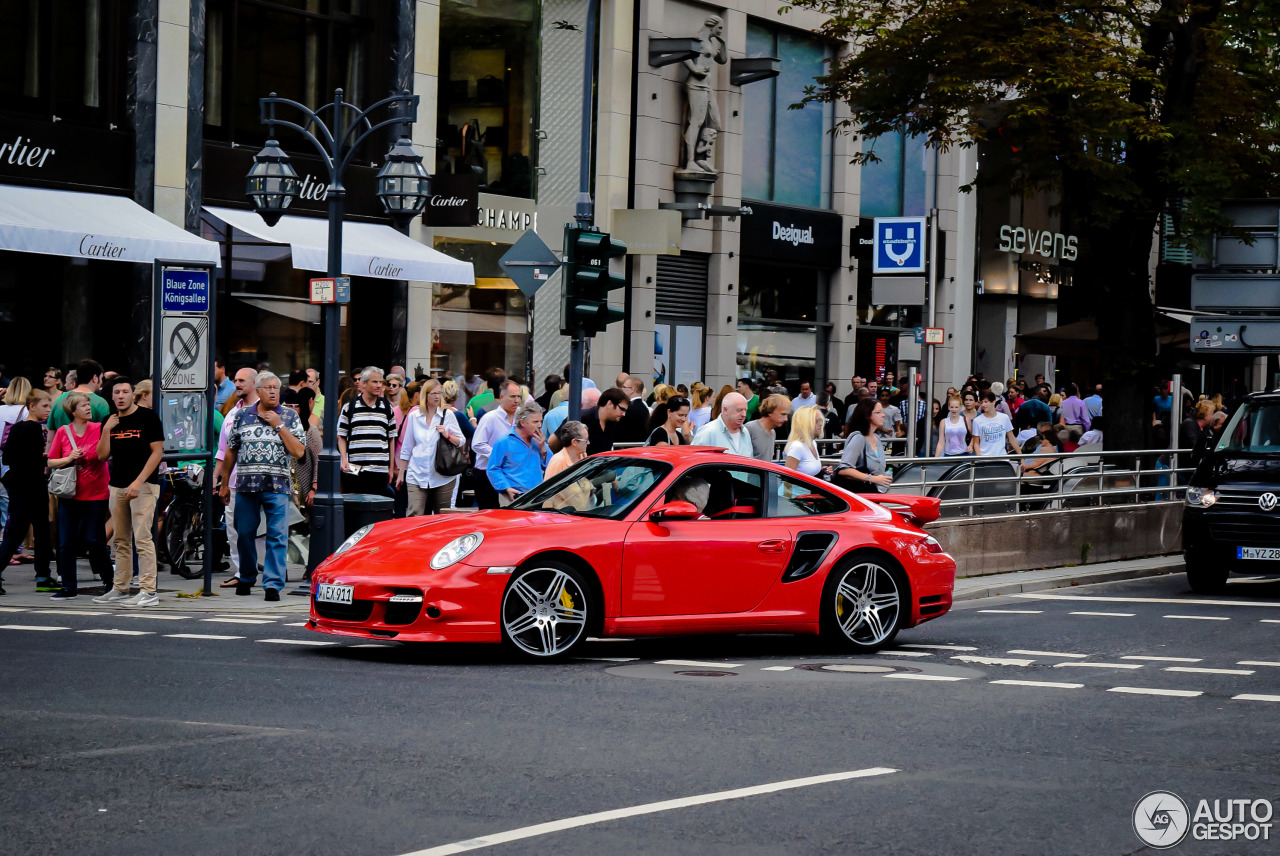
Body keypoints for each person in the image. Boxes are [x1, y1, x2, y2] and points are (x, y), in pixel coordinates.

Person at [218, 372, 305, 600]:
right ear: (258, 391)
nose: (273, 391)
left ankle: (273, 585)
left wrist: (279, 426)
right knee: (244, 534)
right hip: (246, 485)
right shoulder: (242, 415)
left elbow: (299, 451)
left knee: (277, 535)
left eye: (276, 387)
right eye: (268, 388)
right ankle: (246, 576)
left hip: (277, 486)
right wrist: (224, 484)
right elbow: (231, 451)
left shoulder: (289, 416)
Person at [93, 376, 164, 607]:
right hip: (117, 484)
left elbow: (157, 452)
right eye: (117, 393)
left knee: (142, 538)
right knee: (120, 540)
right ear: (112, 396)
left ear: (133, 394)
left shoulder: (148, 417)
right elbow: (102, 456)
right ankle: (120, 587)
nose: (121, 396)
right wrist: (106, 431)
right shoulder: (109, 420)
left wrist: (139, 481)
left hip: (143, 485)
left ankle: (148, 591)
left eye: (125, 392)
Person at [47, 392, 113, 600]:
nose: (88, 408)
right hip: (70, 494)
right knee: (65, 542)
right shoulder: (63, 432)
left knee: (94, 540)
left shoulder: (99, 428)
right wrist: (68, 458)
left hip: (97, 493)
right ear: (72, 411)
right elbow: (50, 461)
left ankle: (109, 580)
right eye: (83, 405)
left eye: (88, 404)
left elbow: (105, 455)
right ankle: (68, 587)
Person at [0, 389, 55, 594]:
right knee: (35, 532)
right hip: (32, 485)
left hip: (17, 485)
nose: (48, 410)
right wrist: (51, 457)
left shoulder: (16, 428)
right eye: (45, 406)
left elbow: (7, 458)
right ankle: (43, 576)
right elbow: (35, 461)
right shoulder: (33, 429)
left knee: (18, 533)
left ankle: (43, 575)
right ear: (32, 406)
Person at [398, 380, 466, 516]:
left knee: (442, 516)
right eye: (433, 393)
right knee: (414, 514)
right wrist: (401, 473)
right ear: (425, 395)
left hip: (443, 474)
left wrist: (447, 435)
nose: (437, 397)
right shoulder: (414, 416)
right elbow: (407, 446)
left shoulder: (448, 415)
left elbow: (461, 440)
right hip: (416, 473)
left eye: (439, 393)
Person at [337, 366, 398, 496]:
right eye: (375, 382)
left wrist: (391, 468)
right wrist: (344, 459)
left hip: (379, 469)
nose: (379, 385)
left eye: (381, 382)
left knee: (377, 510)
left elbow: (391, 439)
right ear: (363, 383)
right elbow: (341, 436)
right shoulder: (350, 406)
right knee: (356, 509)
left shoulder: (387, 408)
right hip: (355, 468)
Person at [486, 401, 550, 505]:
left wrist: (542, 447)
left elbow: (550, 466)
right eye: (535, 422)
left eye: (540, 421)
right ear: (522, 422)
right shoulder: (504, 441)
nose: (539, 425)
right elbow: (493, 468)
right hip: (513, 496)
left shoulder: (539, 441)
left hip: (536, 496)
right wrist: (506, 488)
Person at [471, 380, 522, 508]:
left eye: (518, 397)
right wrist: (498, 455)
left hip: (512, 473)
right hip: (487, 475)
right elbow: (477, 444)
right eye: (512, 396)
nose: (516, 400)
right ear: (501, 397)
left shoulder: (521, 417)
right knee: (490, 517)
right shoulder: (490, 418)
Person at [836, 398, 891, 493]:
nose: (883, 415)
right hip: (860, 493)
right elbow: (844, 469)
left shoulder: (876, 438)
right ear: (867, 415)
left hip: (875, 492)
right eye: (878, 412)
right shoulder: (859, 438)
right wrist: (872, 478)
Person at [49, 359, 109, 430]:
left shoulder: (59, 400)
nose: (101, 382)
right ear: (95, 378)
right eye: (101, 378)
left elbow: (50, 439)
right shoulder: (101, 403)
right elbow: (105, 434)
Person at [693, 391, 751, 456]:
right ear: (725, 410)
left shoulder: (745, 432)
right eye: (739, 410)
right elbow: (693, 459)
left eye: (745, 410)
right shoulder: (707, 432)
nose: (744, 414)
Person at [580, 387, 629, 455]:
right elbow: (561, 439)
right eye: (622, 409)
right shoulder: (583, 417)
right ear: (609, 403)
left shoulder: (614, 423)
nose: (623, 414)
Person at [746, 394, 791, 462]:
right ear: (770, 410)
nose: (786, 419)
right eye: (783, 414)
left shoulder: (772, 432)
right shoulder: (750, 428)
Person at [971, 391, 1017, 456]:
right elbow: (976, 442)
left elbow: (1012, 438)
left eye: (986, 402)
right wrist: (979, 458)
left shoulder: (1004, 418)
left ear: (993, 401)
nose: (983, 405)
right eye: (981, 402)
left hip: (1002, 458)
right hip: (984, 459)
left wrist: (1021, 457)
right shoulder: (977, 421)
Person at [784, 406, 827, 477]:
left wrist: (821, 471)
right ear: (805, 424)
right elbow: (787, 480)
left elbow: (805, 470)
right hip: (796, 488)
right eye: (816, 421)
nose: (821, 424)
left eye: (821, 420)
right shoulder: (797, 446)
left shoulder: (813, 443)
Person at [617, 376, 650, 443]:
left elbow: (619, 430)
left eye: (624, 387)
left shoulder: (629, 408)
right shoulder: (644, 408)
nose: (622, 389)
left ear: (632, 389)